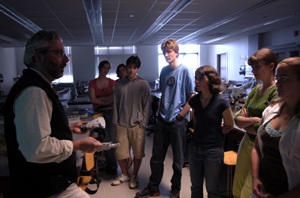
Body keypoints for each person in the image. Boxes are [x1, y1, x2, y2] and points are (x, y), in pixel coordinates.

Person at [3, 30, 102, 198]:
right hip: (44, 187)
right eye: (59, 53)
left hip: (53, 184)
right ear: (38, 56)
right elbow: (37, 149)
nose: (66, 59)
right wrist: (78, 145)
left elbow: (39, 129)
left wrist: (68, 128)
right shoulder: (33, 91)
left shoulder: (40, 85)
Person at [136, 38, 195, 198]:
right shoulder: (163, 71)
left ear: (176, 52)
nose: (166, 55)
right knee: (156, 158)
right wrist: (159, 113)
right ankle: (153, 187)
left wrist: (181, 116)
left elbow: (192, 96)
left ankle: (175, 189)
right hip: (162, 120)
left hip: (178, 121)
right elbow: (164, 94)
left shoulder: (185, 70)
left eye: (169, 52)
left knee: (178, 159)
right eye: (164, 52)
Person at [179, 65, 234, 198]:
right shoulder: (195, 100)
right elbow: (193, 119)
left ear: (210, 79)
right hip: (195, 148)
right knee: (196, 187)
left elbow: (229, 125)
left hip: (213, 150)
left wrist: (217, 128)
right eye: (195, 78)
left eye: (200, 78)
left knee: (212, 189)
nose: (196, 81)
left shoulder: (221, 101)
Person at [251, 57, 300, 198]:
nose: (278, 83)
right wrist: (255, 178)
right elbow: (256, 148)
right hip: (264, 191)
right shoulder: (271, 110)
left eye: (284, 78)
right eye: (277, 78)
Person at [232, 48, 278, 198]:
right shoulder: (256, 89)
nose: (253, 71)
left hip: (261, 146)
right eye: (252, 67)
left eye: (257, 67)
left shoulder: (276, 92)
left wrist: (249, 123)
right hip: (247, 141)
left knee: (250, 186)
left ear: (271, 66)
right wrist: (254, 120)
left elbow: (267, 129)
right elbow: (237, 119)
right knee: (238, 182)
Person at [112, 56, 151, 189]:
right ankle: (125, 174)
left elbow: (147, 105)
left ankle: (134, 175)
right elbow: (116, 104)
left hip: (137, 124)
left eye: (134, 68)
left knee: (138, 152)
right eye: (129, 67)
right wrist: (115, 121)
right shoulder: (119, 84)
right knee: (120, 152)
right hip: (121, 124)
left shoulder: (143, 84)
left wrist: (143, 123)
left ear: (138, 69)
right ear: (126, 67)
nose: (131, 70)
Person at [89, 60, 118, 175]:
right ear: (99, 68)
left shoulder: (112, 82)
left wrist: (99, 100)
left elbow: (115, 99)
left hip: (111, 112)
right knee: (102, 138)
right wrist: (108, 99)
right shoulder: (92, 83)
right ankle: (107, 162)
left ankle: (112, 165)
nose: (106, 70)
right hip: (98, 114)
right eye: (104, 68)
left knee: (110, 139)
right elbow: (92, 99)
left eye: (108, 68)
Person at [116, 63, 133, 169]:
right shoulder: (116, 83)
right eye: (120, 71)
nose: (122, 72)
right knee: (122, 139)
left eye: (124, 70)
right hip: (120, 115)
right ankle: (126, 156)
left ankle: (129, 155)